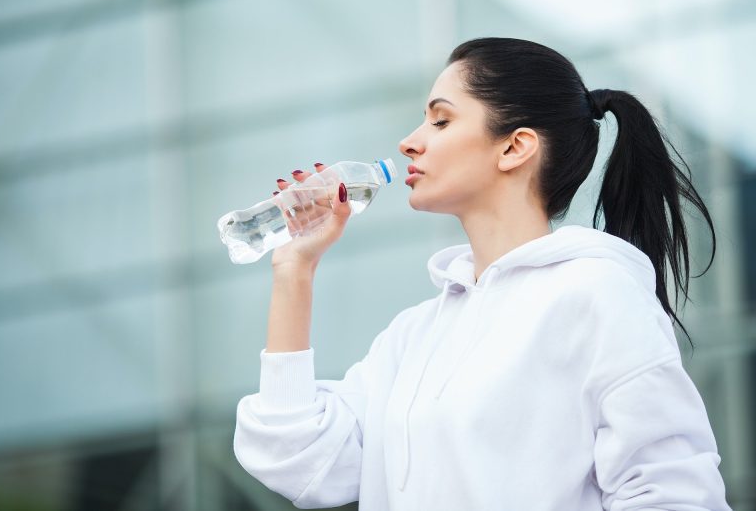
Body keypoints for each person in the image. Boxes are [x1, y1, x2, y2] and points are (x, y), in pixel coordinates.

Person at [232, 37, 732, 510]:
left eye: (441, 121)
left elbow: (673, 492)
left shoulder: (596, 294)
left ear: (514, 147)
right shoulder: (415, 335)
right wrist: (295, 269)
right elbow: (296, 457)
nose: (409, 143)